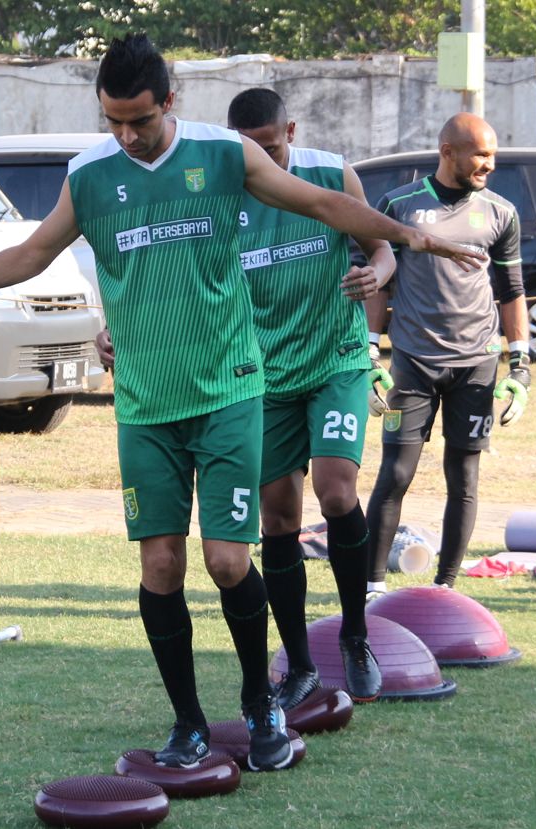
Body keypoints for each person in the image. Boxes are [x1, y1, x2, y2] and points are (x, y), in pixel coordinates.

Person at [0, 34, 481, 772]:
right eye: (114, 122)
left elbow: (323, 202)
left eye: (141, 120)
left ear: (172, 101)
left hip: (228, 391)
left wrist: (408, 238)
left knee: (229, 559)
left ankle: (261, 700)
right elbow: (32, 253)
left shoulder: (222, 155)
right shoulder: (92, 175)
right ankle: (189, 722)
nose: (128, 136)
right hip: (143, 405)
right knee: (159, 566)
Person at [96, 87, 393, 704]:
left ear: (292, 129)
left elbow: (379, 244)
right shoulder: (225, 191)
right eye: (250, 150)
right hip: (260, 376)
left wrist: (377, 273)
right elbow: (179, 273)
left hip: (335, 359)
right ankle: (302, 665)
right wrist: (122, 327)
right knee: (280, 518)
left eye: (273, 146)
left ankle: (355, 635)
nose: (264, 160)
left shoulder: (329, 173)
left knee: (337, 490)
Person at [363, 113, 530, 595]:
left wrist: (520, 365)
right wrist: (369, 355)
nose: (489, 165)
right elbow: (378, 278)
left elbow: (512, 289)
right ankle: (373, 589)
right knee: (396, 473)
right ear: (448, 151)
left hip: (476, 362)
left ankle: (446, 589)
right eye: (480, 155)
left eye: (493, 155)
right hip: (413, 362)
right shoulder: (399, 205)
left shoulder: (501, 212)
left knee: (465, 477)